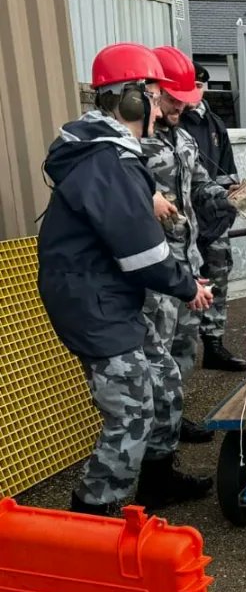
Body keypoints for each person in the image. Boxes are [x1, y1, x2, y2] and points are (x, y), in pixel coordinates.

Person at [36, 42, 214, 516]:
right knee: (130, 410)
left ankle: (157, 482)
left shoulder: (115, 153)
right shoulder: (107, 161)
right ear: (133, 99)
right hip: (91, 301)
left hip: (111, 296)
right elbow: (144, 253)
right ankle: (92, 517)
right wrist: (188, 286)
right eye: (155, 97)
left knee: (165, 380)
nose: (159, 108)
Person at [144, 47, 236, 445]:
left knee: (183, 348)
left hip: (187, 260)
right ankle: (153, 438)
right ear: (151, 92)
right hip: (152, 266)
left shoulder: (182, 137)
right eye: (174, 99)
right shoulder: (132, 142)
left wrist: (226, 197)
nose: (182, 106)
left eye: (187, 99)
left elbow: (200, 181)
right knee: (156, 354)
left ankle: (173, 422)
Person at [180, 62, 246, 372]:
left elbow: (226, 174)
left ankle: (214, 344)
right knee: (187, 285)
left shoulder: (215, 124)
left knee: (218, 281)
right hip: (183, 223)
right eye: (190, 84)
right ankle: (182, 348)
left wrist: (232, 200)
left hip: (215, 220)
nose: (196, 92)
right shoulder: (170, 122)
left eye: (201, 85)